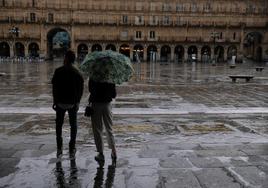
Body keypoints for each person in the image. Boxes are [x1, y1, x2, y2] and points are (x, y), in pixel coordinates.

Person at [52, 50, 84, 158]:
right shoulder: (77, 72)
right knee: (73, 126)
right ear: (74, 60)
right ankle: (72, 147)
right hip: (72, 103)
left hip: (60, 103)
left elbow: (54, 87)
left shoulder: (58, 71)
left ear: (65, 58)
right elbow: (81, 89)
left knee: (59, 125)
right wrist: (78, 102)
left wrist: (55, 101)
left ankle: (59, 147)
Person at [88, 79, 117, 166]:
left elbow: (91, 90)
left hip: (96, 104)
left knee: (97, 129)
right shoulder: (110, 78)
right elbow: (114, 95)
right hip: (107, 104)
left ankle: (101, 153)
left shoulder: (93, 76)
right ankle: (114, 151)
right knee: (109, 128)